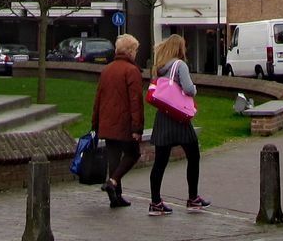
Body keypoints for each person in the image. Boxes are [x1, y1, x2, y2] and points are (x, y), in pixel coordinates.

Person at [146, 34, 208, 215]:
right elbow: (188, 89)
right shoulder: (180, 65)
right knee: (193, 156)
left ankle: (155, 202)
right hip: (179, 118)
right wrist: (194, 89)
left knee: (160, 162)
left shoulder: (159, 67)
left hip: (163, 117)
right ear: (179, 48)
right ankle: (193, 198)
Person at [89, 34, 144, 209]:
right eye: (135, 49)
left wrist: (95, 123)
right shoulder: (132, 71)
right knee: (133, 154)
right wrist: (137, 128)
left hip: (107, 123)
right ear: (130, 51)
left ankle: (116, 197)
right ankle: (112, 182)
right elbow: (135, 101)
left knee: (113, 158)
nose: (136, 53)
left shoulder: (107, 70)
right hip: (124, 123)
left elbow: (98, 98)